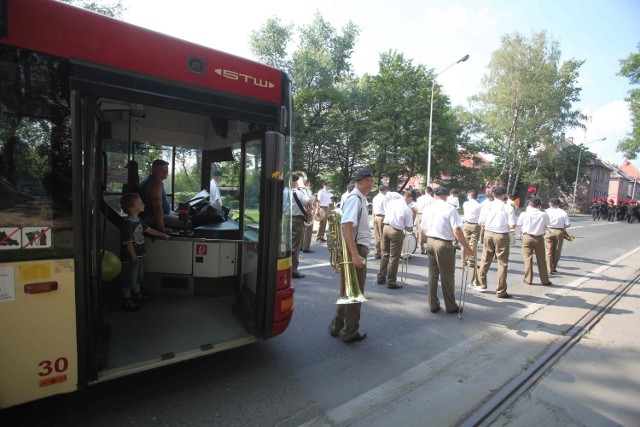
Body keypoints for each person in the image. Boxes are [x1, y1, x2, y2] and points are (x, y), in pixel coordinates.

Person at [329, 167, 374, 343]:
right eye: (369, 180)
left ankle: (337, 325)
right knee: (355, 293)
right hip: (354, 249)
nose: (371, 184)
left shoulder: (358, 198)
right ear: (359, 181)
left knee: (347, 291)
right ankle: (350, 332)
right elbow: (346, 225)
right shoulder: (355, 199)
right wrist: (355, 254)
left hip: (356, 246)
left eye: (372, 180)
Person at [422, 187, 472, 313]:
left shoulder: (428, 208)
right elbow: (457, 230)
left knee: (432, 274)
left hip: (430, 241)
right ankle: (450, 305)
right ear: (445, 195)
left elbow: (423, 229)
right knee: (447, 276)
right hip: (444, 243)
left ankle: (433, 304)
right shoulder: (450, 208)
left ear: (435, 195)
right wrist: (466, 247)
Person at [119, 193, 170, 312]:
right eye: (140, 203)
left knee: (137, 277)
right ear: (132, 209)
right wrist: (133, 257)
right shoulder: (127, 224)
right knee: (128, 279)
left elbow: (149, 230)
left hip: (139, 255)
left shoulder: (139, 220)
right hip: (130, 258)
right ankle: (127, 300)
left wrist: (162, 235)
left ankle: (137, 295)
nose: (144, 204)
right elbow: (128, 243)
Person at [475, 185, 517, 298]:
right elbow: (512, 225)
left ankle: (481, 284)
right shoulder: (508, 207)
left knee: (485, 259)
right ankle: (501, 290)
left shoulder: (486, 206)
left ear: (493, 194)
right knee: (502, 263)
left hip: (488, 233)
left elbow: (481, 223)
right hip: (501, 235)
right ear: (504, 195)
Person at [377, 190, 414, 289]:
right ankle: (391, 281)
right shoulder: (407, 209)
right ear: (410, 197)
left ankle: (381, 277)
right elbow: (408, 227)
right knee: (394, 257)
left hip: (386, 228)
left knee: (385, 254)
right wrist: (410, 228)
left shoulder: (391, 202)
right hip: (396, 232)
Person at [139, 159, 181, 233]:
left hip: (160, 214)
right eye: (161, 170)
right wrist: (162, 229)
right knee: (188, 223)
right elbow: (157, 208)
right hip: (152, 217)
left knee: (184, 215)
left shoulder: (151, 180)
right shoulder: (155, 184)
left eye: (167, 169)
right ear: (153, 170)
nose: (165, 172)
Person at [517, 197, 552, 286]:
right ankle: (544, 280)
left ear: (530, 204)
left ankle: (528, 279)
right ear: (539, 205)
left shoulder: (524, 214)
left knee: (527, 258)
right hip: (539, 237)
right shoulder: (543, 214)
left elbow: (519, 224)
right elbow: (547, 223)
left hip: (527, 236)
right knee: (541, 259)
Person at [291, 174, 314, 278]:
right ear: (295, 182)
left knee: (286, 245)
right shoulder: (298, 193)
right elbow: (309, 203)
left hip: (287, 219)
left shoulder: (284, 192)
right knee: (295, 246)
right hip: (297, 220)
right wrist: (313, 197)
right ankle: (293, 270)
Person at [545, 197, 570, 274]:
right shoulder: (563, 212)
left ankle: (548, 268)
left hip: (548, 230)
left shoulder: (545, 212)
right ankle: (553, 267)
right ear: (558, 204)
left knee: (548, 250)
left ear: (550, 203)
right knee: (557, 250)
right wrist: (562, 226)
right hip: (559, 231)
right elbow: (568, 224)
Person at [462, 190, 482, 267]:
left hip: (466, 223)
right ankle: (471, 261)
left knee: (465, 242)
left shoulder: (465, 204)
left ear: (470, 196)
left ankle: (463, 260)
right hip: (475, 225)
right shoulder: (479, 205)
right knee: (473, 244)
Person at [415, 186, 435, 255]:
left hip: (420, 215)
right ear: (431, 192)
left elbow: (416, 208)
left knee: (420, 233)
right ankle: (429, 248)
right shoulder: (433, 200)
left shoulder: (419, 198)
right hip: (429, 216)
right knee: (430, 232)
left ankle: (421, 248)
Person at [371, 184, 389, 259]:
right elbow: (386, 210)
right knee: (383, 236)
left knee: (377, 236)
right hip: (382, 217)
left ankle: (377, 252)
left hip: (375, 216)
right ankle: (383, 252)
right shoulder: (384, 198)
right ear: (385, 190)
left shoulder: (375, 198)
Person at [301, 177, 316, 253]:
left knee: (303, 228)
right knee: (308, 229)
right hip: (308, 210)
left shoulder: (300, 190)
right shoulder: (307, 190)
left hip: (302, 211)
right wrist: (313, 197)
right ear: (308, 183)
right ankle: (306, 247)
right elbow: (309, 202)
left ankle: (301, 246)